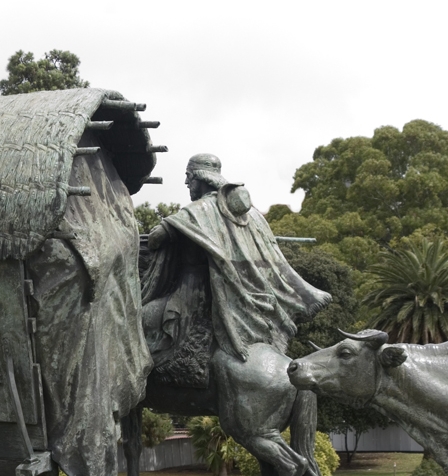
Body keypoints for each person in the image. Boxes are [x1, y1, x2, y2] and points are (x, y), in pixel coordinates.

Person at [141, 153, 329, 388]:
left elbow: (155, 240)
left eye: (189, 177)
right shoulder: (252, 216)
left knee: (141, 319)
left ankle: (142, 379)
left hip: (193, 293)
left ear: (200, 177)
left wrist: (176, 230)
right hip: (237, 298)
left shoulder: (196, 212)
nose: (187, 183)